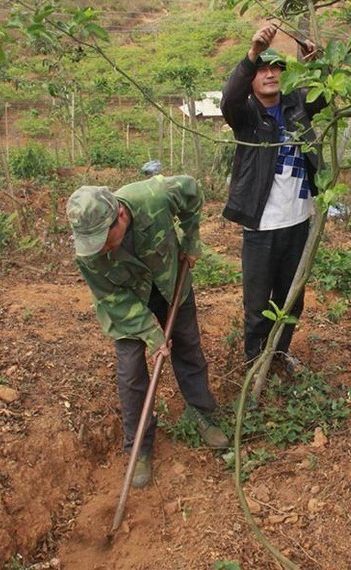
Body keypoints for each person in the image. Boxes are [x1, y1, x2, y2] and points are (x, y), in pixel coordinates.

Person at [66, 175, 228, 489]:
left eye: (104, 238)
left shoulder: (154, 195)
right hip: (127, 305)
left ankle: (201, 412)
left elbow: (192, 193)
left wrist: (192, 238)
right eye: (92, 242)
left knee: (188, 347)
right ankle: (139, 445)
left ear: (121, 217)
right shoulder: (88, 254)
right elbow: (112, 298)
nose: (99, 248)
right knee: (130, 373)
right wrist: (151, 334)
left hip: (171, 283)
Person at [220, 24, 324, 374]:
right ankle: (255, 361)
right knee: (256, 303)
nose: (269, 74)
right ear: (252, 78)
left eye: (275, 68)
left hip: (298, 221)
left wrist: (314, 64)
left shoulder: (297, 107)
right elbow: (229, 99)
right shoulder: (247, 117)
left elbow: (322, 95)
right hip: (262, 225)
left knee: (291, 296)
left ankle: (279, 355)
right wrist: (252, 53)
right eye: (262, 69)